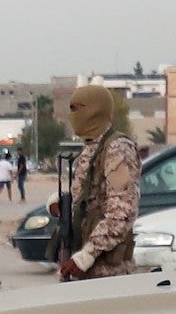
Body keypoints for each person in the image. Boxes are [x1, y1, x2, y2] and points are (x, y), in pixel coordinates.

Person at [57, 84, 142, 281]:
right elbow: (89, 194)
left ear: (94, 111)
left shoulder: (117, 149)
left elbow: (123, 211)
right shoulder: (91, 148)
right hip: (85, 272)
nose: (72, 116)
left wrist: (88, 254)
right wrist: (61, 202)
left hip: (107, 275)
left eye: (76, 109)